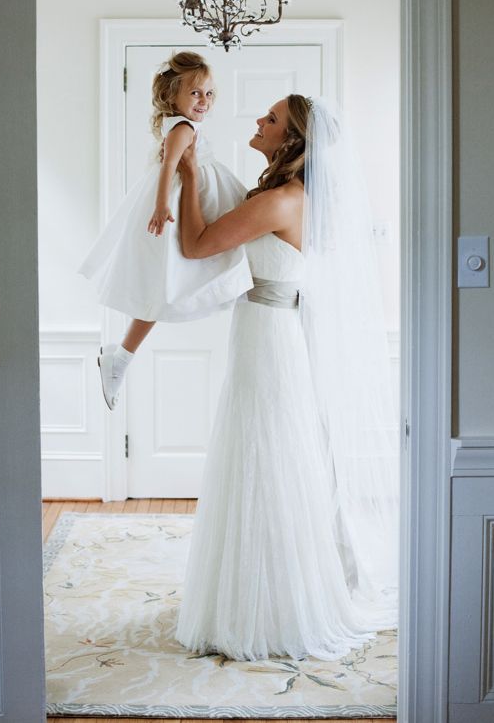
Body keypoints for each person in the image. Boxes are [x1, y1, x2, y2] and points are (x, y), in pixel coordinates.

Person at [174, 94, 399, 661]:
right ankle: (261, 588)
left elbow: (196, 245)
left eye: (270, 119)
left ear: (293, 140)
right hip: (268, 330)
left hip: (268, 338)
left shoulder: (282, 201)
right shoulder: (292, 197)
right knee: (267, 455)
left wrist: (190, 174)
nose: (258, 120)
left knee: (261, 456)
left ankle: (269, 606)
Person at [79, 51, 252, 409]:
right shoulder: (183, 128)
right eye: (194, 93)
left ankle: (121, 356)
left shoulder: (186, 127)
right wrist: (162, 205)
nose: (204, 101)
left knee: (166, 286)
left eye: (209, 93)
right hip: (179, 203)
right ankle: (120, 357)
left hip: (196, 195)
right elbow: (168, 166)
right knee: (165, 285)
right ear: (172, 96)